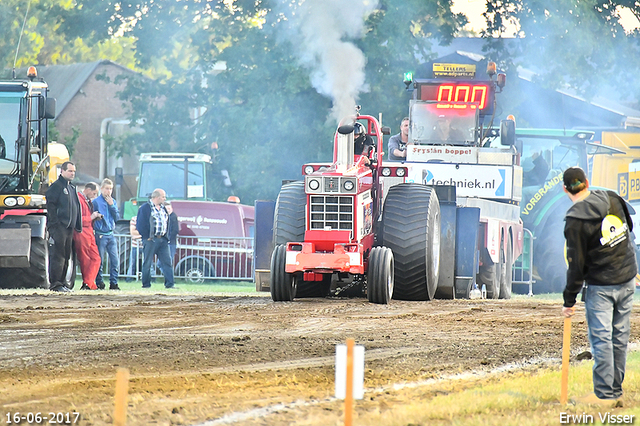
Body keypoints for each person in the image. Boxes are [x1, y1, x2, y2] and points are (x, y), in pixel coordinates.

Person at [561, 166, 636, 405]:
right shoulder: (612, 197)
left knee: (602, 339)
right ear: (587, 182)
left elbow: (576, 266)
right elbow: (630, 229)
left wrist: (569, 301)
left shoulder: (575, 219)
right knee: (619, 338)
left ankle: (605, 395)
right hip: (627, 279)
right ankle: (615, 391)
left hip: (601, 286)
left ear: (565, 189)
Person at [46, 161, 82, 292]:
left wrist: (77, 225)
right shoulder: (56, 187)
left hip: (69, 228)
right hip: (59, 227)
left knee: (66, 256)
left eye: (74, 171)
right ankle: (55, 284)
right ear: (62, 171)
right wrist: (54, 224)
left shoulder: (72, 188)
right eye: (70, 171)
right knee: (57, 256)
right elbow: (51, 206)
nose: (72, 173)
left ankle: (62, 283)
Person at [136, 188, 176, 289]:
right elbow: (140, 224)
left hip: (163, 240)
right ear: (157, 197)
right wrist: (146, 237)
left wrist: (167, 237)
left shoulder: (163, 208)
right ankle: (146, 284)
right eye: (163, 197)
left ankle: (170, 284)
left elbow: (168, 223)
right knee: (147, 262)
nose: (164, 199)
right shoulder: (145, 208)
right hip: (150, 239)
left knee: (167, 262)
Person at [93, 178, 120, 290]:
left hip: (110, 233)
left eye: (111, 189)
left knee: (115, 260)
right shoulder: (96, 202)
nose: (109, 191)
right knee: (99, 259)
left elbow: (117, 217)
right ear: (102, 189)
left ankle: (114, 283)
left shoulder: (113, 201)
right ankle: (99, 282)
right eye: (107, 189)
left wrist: (112, 206)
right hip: (100, 234)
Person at [74, 182, 102, 290]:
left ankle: (89, 283)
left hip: (89, 232)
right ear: (88, 190)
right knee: (85, 259)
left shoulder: (86, 200)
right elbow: (78, 219)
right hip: (82, 232)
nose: (94, 196)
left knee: (96, 259)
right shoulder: (79, 200)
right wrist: (92, 217)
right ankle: (88, 283)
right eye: (94, 193)